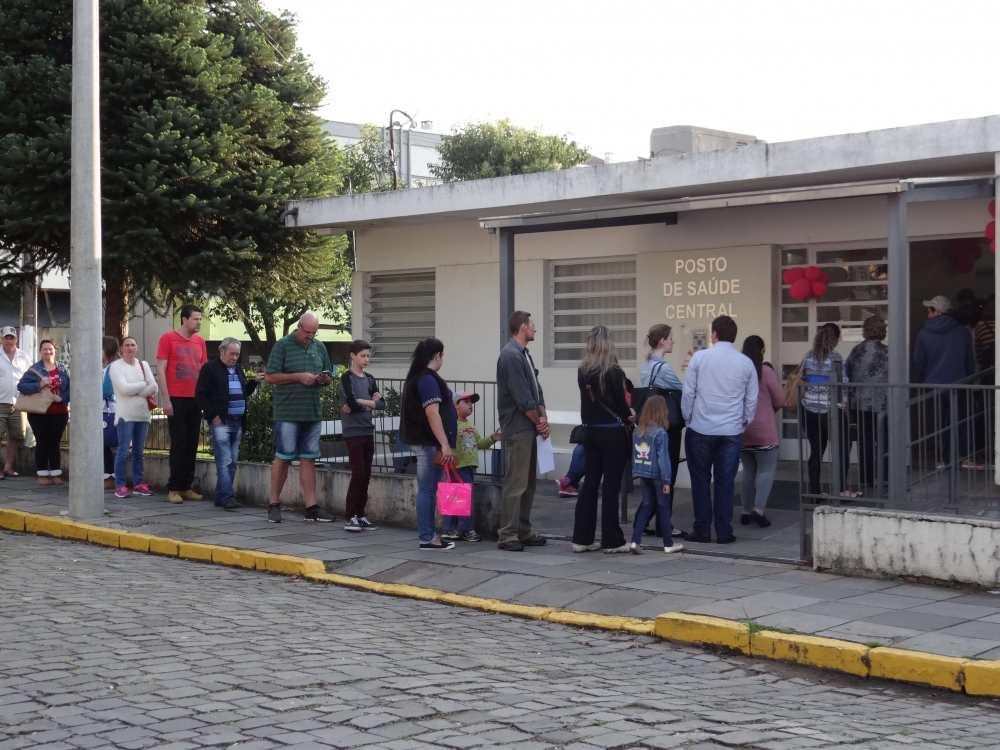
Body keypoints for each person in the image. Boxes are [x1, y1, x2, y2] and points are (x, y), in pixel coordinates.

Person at [681, 315, 757, 544]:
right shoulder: (746, 362)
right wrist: (743, 422)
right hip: (731, 431)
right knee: (725, 482)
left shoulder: (700, 358)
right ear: (734, 336)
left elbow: (688, 393)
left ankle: (702, 529)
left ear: (713, 335)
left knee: (701, 480)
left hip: (701, 428)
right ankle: (724, 532)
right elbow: (751, 400)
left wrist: (688, 418)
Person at [264, 313, 335, 523]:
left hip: (312, 413)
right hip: (287, 413)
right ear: (299, 327)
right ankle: (274, 504)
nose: (310, 336)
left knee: (309, 459)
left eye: (314, 332)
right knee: (283, 458)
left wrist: (324, 379)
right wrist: (298, 376)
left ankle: (311, 507)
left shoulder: (319, 347)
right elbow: (269, 376)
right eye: (307, 332)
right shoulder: (282, 345)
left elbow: (329, 378)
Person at [573, 325, 633, 554]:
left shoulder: (583, 370)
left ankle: (582, 538)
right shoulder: (614, 371)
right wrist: (631, 415)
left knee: (589, 484)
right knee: (610, 486)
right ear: (609, 344)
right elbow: (621, 405)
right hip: (612, 433)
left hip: (590, 432)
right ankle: (612, 540)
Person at [496, 311, 549, 552]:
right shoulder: (510, 356)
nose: (535, 329)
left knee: (528, 483)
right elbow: (521, 397)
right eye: (533, 325)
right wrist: (539, 422)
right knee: (516, 483)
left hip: (528, 425)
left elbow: (535, 388)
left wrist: (543, 415)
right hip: (519, 427)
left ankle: (523, 530)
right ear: (523, 327)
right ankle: (508, 534)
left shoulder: (523, 354)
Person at [399, 338, 456, 550]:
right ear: (437, 356)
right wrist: (445, 444)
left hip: (424, 441)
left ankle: (429, 535)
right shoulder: (428, 379)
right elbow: (432, 414)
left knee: (428, 490)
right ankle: (428, 537)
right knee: (427, 490)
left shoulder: (418, 377)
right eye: (442, 356)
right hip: (428, 443)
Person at [195, 337, 264, 511]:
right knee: (225, 461)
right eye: (232, 354)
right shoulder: (210, 369)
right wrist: (214, 416)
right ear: (221, 351)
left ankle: (220, 497)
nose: (234, 357)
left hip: (237, 422)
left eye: (237, 354)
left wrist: (254, 382)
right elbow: (201, 395)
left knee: (231, 462)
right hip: (222, 423)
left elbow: (242, 393)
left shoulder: (238, 370)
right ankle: (227, 497)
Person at [913, 295, 977, 469]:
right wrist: (969, 380)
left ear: (937, 311)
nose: (927, 314)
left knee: (939, 424)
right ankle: (963, 457)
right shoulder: (962, 332)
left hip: (933, 385)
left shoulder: (924, 333)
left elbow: (919, 362)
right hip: (959, 383)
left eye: (929, 310)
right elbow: (969, 361)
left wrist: (927, 378)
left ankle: (942, 459)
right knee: (961, 421)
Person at [156, 304, 208, 504]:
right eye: (195, 319)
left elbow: (203, 371)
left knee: (192, 443)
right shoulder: (168, 338)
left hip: (195, 399)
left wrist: (204, 398)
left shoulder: (200, 342)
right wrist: (166, 399)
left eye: (200, 319)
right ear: (184, 320)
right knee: (179, 443)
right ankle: (174, 489)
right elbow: (161, 370)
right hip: (176, 398)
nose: (198, 323)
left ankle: (187, 487)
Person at [639, 323, 685, 539]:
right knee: (668, 474)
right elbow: (683, 391)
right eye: (671, 338)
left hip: (649, 425)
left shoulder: (646, 366)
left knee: (652, 474)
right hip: (667, 426)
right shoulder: (663, 368)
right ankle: (664, 524)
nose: (673, 341)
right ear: (662, 341)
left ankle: (646, 519)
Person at [338, 339, 385, 531]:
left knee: (366, 475)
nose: (366, 359)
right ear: (353, 356)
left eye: (368, 356)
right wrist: (368, 404)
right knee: (358, 473)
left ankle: (360, 514)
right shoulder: (346, 378)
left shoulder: (370, 379)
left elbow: (381, 404)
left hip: (367, 430)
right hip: (353, 432)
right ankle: (350, 516)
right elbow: (351, 402)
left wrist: (362, 403)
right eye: (363, 356)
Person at [801, 323, 853, 496]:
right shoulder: (836, 358)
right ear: (836, 339)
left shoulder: (808, 356)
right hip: (831, 411)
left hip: (809, 409)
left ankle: (815, 492)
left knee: (816, 450)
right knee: (843, 449)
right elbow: (843, 384)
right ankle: (841, 489)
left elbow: (804, 378)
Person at [442, 392, 501, 542]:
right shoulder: (451, 424)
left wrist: (492, 438)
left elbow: (479, 443)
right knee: (461, 499)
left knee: (456, 498)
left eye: (471, 402)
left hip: (468, 467)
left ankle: (450, 530)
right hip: (457, 467)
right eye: (466, 401)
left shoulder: (470, 425)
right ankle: (466, 530)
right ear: (455, 405)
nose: (470, 405)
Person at [629, 395, 682, 555]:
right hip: (658, 475)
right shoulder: (661, 433)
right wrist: (667, 480)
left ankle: (635, 541)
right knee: (663, 507)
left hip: (643, 472)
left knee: (646, 505)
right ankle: (668, 543)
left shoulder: (638, 430)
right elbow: (663, 459)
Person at [739, 336, 783, 527]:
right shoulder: (766, 371)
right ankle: (759, 509)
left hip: (742, 428)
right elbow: (780, 400)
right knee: (766, 469)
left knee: (748, 470)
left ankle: (745, 511)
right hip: (764, 430)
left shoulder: (739, 371)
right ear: (762, 351)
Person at [109, 336, 158, 498]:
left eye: (133, 345)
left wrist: (136, 390)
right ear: (121, 348)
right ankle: (120, 486)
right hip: (125, 415)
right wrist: (143, 385)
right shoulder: (116, 366)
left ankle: (139, 483)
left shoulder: (143, 365)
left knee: (139, 451)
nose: (130, 348)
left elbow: (154, 387)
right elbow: (123, 389)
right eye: (127, 345)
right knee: (123, 450)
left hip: (143, 414)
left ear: (137, 347)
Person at [845, 316, 889, 492]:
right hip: (883, 402)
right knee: (884, 440)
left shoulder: (856, 350)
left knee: (865, 440)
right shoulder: (887, 352)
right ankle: (884, 476)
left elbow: (848, 371)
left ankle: (865, 477)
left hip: (860, 402)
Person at [18, 340, 70, 486]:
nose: (48, 352)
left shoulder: (63, 369)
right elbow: (21, 386)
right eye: (45, 349)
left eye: (51, 349)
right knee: (42, 442)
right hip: (38, 412)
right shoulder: (34, 369)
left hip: (59, 412)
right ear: (40, 351)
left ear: (55, 350)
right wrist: (39, 385)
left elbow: (71, 388)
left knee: (54, 442)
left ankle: (55, 473)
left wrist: (63, 397)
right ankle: (42, 473)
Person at [0, 326, 32, 480]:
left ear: (16, 339)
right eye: (6, 337)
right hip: (0, 402)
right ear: (1, 338)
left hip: (18, 403)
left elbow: (29, 377)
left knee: (17, 435)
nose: (9, 340)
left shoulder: (23, 357)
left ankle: (8, 466)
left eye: (12, 338)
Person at [102, 336, 121, 490]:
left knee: (104, 445)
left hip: (110, 411)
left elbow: (106, 390)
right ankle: (108, 476)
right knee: (104, 446)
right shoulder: (107, 366)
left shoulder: (113, 367)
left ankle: (110, 477)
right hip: (107, 410)